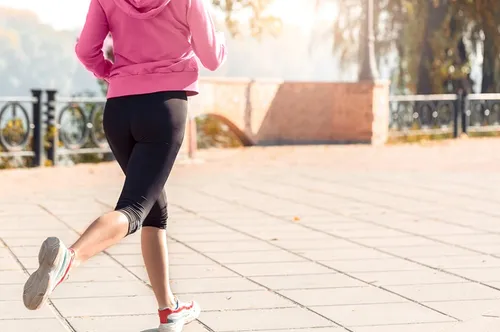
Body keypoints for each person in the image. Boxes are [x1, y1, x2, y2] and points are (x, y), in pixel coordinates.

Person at [22, 0, 227, 331]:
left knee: (153, 208)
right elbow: (213, 58)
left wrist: (116, 75)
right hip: (164, 108)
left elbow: (86, 50)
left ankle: (168, 309)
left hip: (119, 109)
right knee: (134, 208)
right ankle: (69, 258)